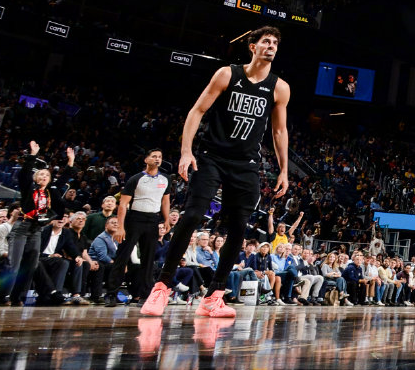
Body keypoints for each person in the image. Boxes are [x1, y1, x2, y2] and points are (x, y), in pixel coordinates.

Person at [142, 26, 290, 320]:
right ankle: (162, 286)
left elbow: (279, 130)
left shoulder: (280, 87)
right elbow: (197, 110)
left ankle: (214, 296)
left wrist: (284, 169)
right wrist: (186, 151)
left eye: (275, 42)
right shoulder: (227, 74)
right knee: (192, 215)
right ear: (253, 46)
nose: (271, 46)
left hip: (246, 164)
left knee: (239, 227)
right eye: (266, 41)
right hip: (212, 157)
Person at [9, 142, 74, 305]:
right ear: (35, 178)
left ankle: (17, 297)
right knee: (14, 265)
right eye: (41, 174)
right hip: (22, 227)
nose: (44, 177)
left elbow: (64, 179)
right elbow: (24, 173)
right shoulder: (28, 188)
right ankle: (4, 295)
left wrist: (71, 161)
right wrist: (33, 155)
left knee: (31, 266)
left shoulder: (51, 191)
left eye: (47, 175)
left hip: (36, 229)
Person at [107, 149, 172, 306]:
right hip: (134, 218)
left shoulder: (165, 179)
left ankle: (144, 295)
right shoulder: (136, 179)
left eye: (160, 157)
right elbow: (123, 204)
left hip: (153, 219)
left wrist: (167, 219)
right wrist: (120, 227)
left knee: (148, 259)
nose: (157, 159)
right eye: (154, 156)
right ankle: (111, 294)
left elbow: (165, 201)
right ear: (146, 160)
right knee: (122, 256)